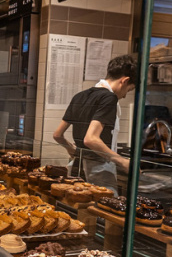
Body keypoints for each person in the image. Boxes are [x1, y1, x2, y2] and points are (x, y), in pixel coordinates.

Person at [53, 54, 137, 189]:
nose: (125, 95)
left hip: (77, 166)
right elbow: (91, 139)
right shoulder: (109, 98)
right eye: (129, 89)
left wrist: (72, 150)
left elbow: (57, 135)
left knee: (79, 207)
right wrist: (122, 162)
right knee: (104, 207)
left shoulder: (80, 96)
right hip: (99, 167)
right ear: (124, 81)